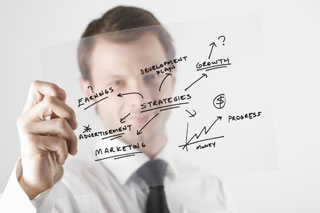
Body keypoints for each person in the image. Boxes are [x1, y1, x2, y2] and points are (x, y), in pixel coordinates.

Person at [0, 6, 236, 212]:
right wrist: (32, 186)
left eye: (153, 75)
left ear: (173, 76)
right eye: (116, 83)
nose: (139, 99)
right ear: (89, 91)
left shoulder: (214, 192)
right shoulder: (56, 195)